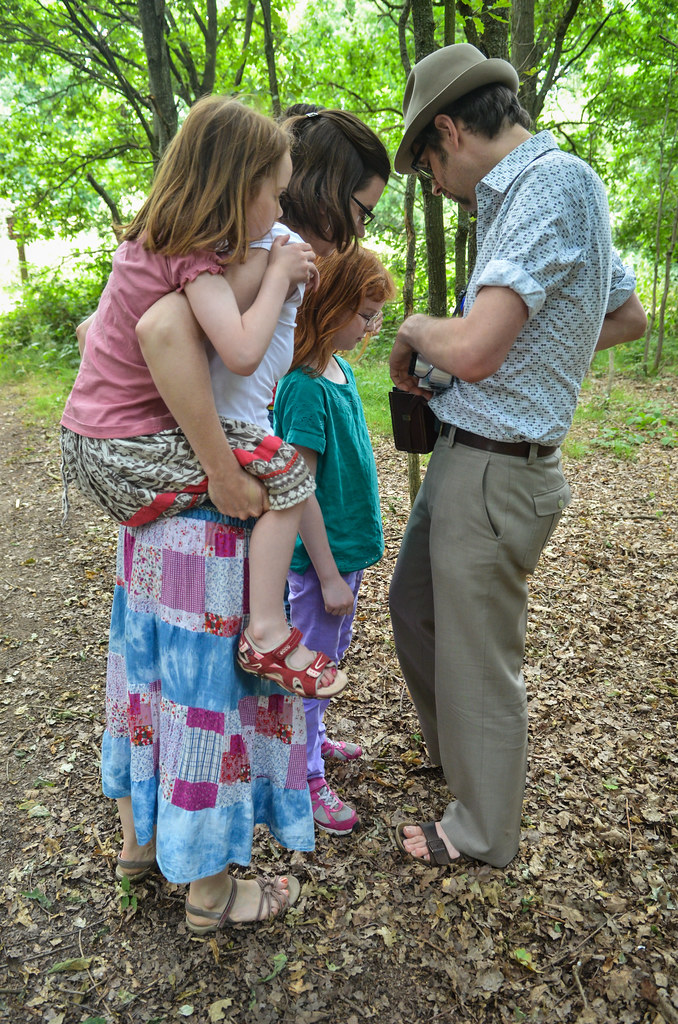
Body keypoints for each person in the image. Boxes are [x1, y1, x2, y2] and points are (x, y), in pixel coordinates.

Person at [95, 103, 390, 930]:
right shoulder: (252, 252)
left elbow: (116, 327)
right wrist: (224, 470)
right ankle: (215, 893)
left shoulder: (217, 245)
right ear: (317, 188)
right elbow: (159, 332)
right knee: (206, 703)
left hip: (163, 511)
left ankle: (142, 845)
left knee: (150, 681)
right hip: (211, 514)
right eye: (360, 207)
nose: (360, 225)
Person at [388, 43, 647, 870]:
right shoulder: (524, 198)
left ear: (451, 131)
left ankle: (481, 829)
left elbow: (471, 349)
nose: (431, 183)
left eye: (425, 162)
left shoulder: (553, 182)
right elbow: (624, 313)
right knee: (415, 608)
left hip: (497, 470)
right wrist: (527, 348)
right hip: (470, 449)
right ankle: (461, 758)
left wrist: (417, 331)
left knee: (479, 656)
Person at [60, 95, 352, 701]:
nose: (279, 212)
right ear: (235, 187)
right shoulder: (191, 258)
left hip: (94, 442)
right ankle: (267, 631)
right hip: (126, 448)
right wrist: (277, 273)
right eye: (273, 195)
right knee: (288, 472)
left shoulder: (152, 239)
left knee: (275, 464)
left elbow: (96, 331)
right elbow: (242, 351)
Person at [274, 247, 396, 835]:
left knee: (330, 656)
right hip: (320, 562)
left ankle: (315, 739)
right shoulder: (302, 385)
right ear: (329, 307)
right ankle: (304, 778)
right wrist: (324, 575)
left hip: (346, 554)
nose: (372, 328)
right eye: (366, 315)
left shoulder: (339, 371)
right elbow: (297, 487)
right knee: (311, 667)